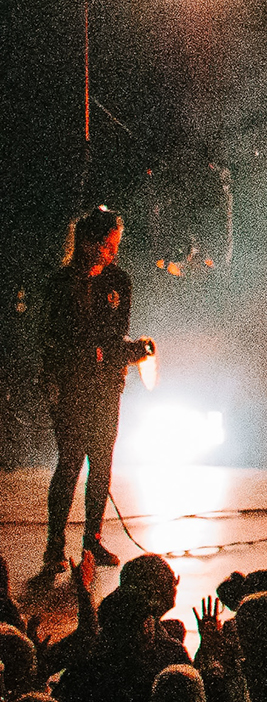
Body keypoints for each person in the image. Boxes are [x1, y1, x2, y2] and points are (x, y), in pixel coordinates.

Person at [39, 205, 146, 574]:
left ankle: (92, 541)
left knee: (101, 462)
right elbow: (52, 340)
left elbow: (115, 336)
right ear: (86, 243)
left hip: (106, 387)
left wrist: (132, 351)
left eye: (116, 245)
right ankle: (55, 546)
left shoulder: (119, 282)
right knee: (70, 462)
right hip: (71, 385)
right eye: (106, 245)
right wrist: (55, 381)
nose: (112, 252)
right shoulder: (61, 284)